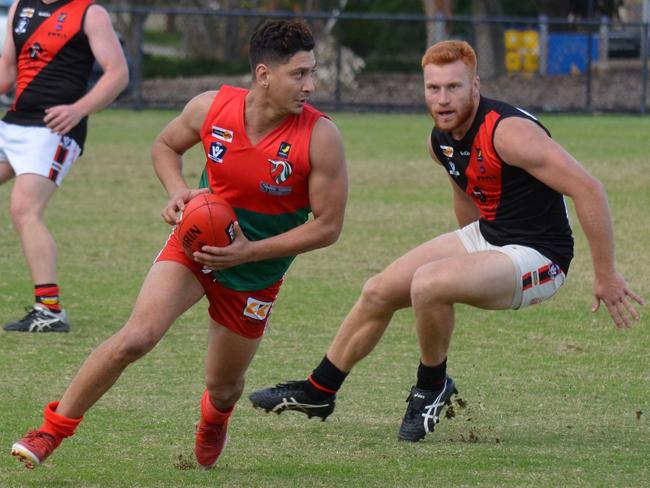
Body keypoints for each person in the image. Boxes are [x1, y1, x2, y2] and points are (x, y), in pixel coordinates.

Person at [249, 40, 644, 442]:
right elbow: (466, 190)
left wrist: (606, 274)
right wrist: (469, 261)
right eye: (433, 89)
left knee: (429, 284)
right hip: (490, 236)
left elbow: (589, 189)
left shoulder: (509, 133)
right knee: (378, 290)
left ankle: (431, 385)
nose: (442, 99)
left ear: (475, 85)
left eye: (453, 87)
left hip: (541, 256)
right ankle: (319, 391)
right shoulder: (440, 140)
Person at [9, 19, 347, 469]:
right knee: (136, 337)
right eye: (299, 74)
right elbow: (166, 147)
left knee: (223, 384)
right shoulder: (211, 108)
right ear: (264, 75)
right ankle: (51, 430)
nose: (310, 85)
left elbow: (327, 227)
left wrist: (248, 252)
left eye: (312, 72)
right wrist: (177, 191)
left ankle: (214, 419)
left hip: (255, 273)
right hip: (194, 248)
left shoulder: (320, 137)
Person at [0, 0, 129, 333]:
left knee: (24, 209)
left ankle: (50, 310)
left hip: (55, 129)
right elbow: (7, 69)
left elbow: (118, 74)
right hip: (14, 122)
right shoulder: (19, 7)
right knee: (22, 210)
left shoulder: (90, 12)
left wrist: (78, 110)